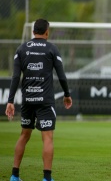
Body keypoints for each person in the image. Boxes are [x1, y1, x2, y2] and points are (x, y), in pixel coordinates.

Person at [5, 19, 73, 181]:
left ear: (33, 31)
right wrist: (66, 94)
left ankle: (14, 176)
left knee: (24, 135)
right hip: (45, 101)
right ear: (47, 31)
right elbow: (61, 76)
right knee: (47, 137)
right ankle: (47, 178)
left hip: (28, 99)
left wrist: (10, 100)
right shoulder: (52, 49)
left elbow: (15, 76)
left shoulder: (21, 49)